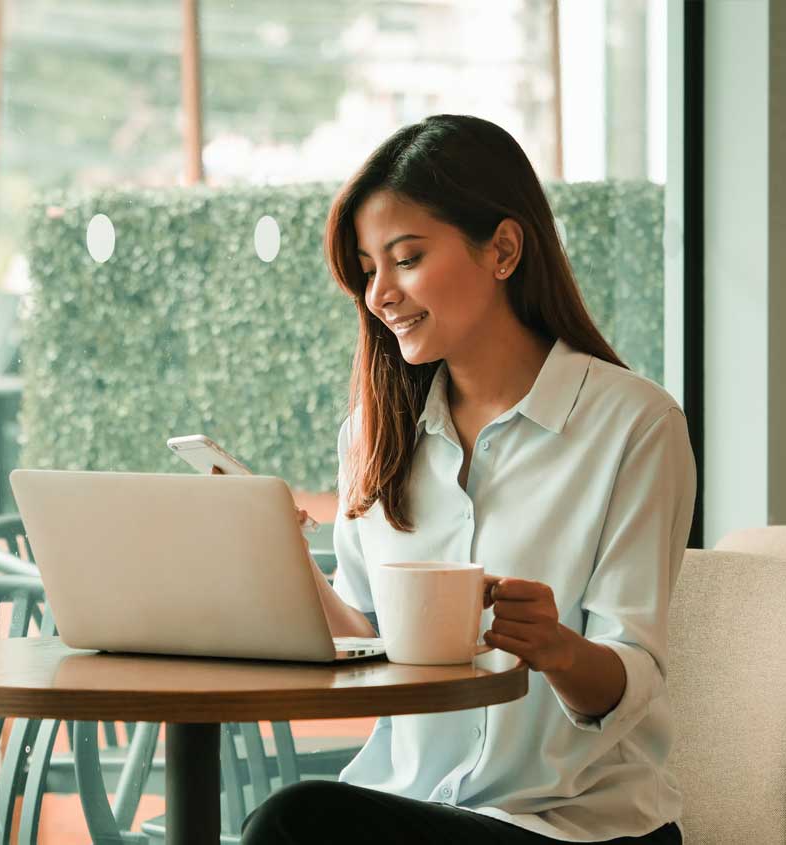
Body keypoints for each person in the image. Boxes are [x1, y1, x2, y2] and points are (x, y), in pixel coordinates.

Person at [241, 114, 695, 844]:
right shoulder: (373, 435)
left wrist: (556, 647)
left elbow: (630, 676)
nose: (379, 293)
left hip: (578, 827)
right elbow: (370, 647)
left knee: (290, 823)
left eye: (406, 257)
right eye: (367, 269)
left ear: (504, 249)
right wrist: (287, 564)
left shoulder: (633, 425)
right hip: (419, 806)